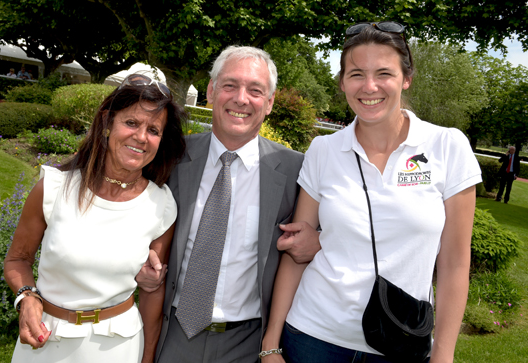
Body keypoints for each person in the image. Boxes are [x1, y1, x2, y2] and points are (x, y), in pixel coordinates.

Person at [261, 22, 482, 363]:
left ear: (406, 78)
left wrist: (444, 354)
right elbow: (296, 250)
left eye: (384, 73)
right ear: (343, 82)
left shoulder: (447, 146)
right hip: (312, 338)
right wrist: (271, 343)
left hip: (400, 344)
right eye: (356, 74)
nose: (369, 86)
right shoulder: (324, 150)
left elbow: (454, 262)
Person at [137, 46, 307, 363]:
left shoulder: (295, 171)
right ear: (211, 91)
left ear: (269, 103)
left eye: (255, 91)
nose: (241, 99)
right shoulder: (172, 155)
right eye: (229, 85)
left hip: (248, 343)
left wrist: (319, 238)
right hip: (173, 334)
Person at [3, 73, 186, 363]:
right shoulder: (53, 188)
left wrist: (148, 356)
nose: (141, 137)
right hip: (44, 342)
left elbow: (153, 289)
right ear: (106, 123)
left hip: (119, 348)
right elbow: (17, 259)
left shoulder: (161, 206)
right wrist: (26, 297)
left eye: (154, 130)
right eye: (131, 122)